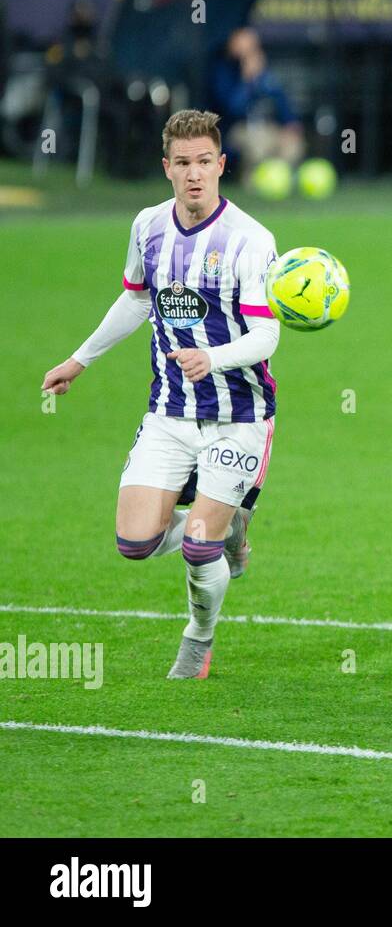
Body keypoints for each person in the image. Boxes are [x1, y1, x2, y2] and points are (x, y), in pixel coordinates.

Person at [40, 109, 281, 680]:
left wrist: (212, 358)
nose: (194, 174)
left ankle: (198, 639)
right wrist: (80, 360)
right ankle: (230, 527)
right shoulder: (147, 227)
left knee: (199, 548)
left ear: (222, 165)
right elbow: (134, 299)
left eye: (205, 163)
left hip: (237, 414)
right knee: (135, 544)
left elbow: (267, 332)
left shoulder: (250, 239)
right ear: (166, 167)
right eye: (183, 164)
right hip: (169, 412)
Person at [207, 28, 304, 176]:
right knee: (259, 143)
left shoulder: (264, 72)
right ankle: (252, 180)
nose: (249, 51)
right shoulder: (223, 70)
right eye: (243, 45)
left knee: (292, 146)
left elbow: (280, 100)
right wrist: (248, 81)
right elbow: (232, 108)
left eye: (253, 47)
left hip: (269, 126)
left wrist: (289, 124)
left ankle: (280, 181)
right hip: (237, 129)